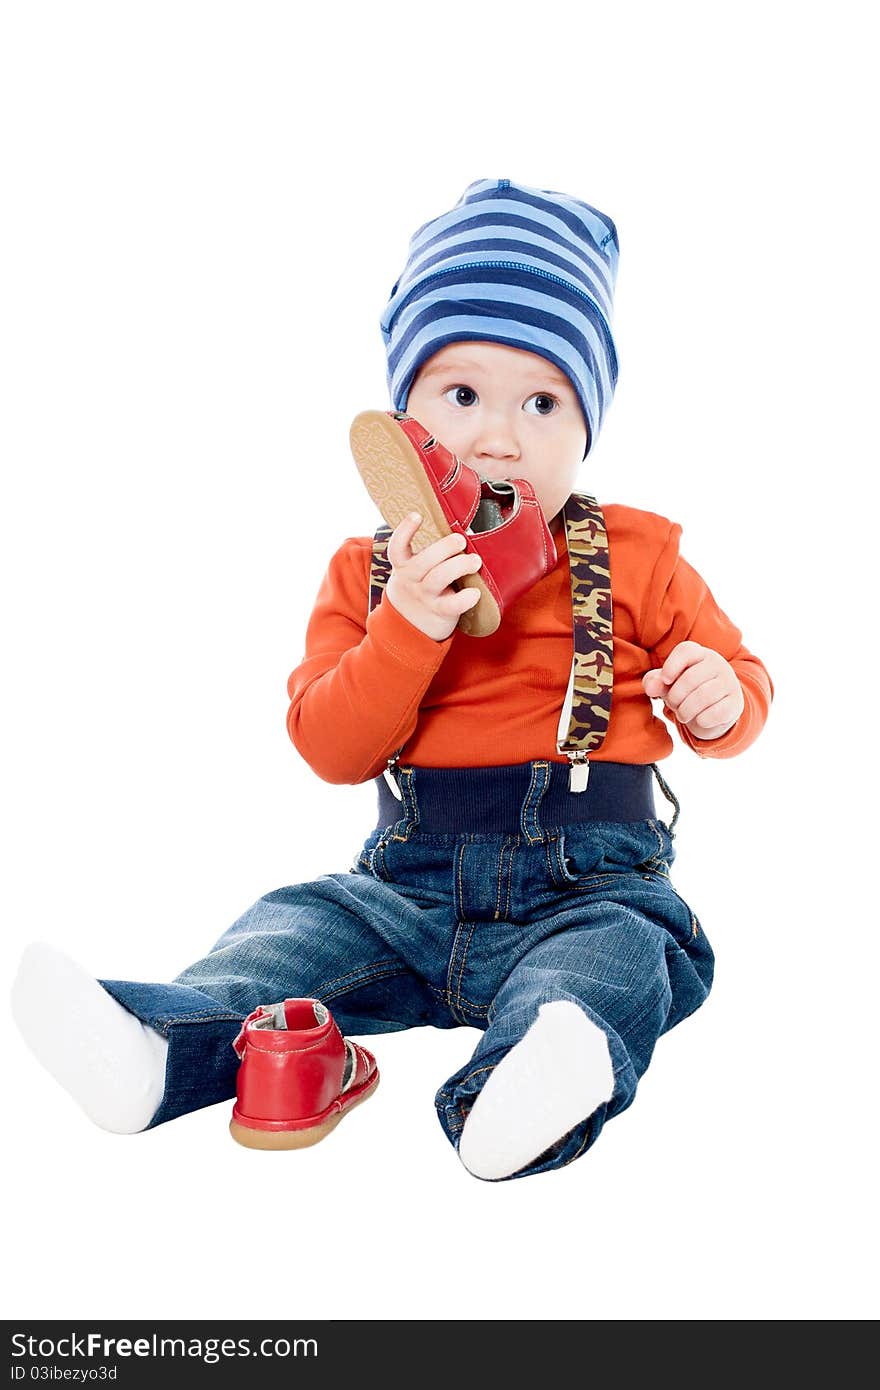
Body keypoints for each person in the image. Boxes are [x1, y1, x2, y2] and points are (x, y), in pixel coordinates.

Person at [10, 177, 773, 1181]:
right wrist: (407, 626)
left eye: (541, 402)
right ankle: (162, 1047)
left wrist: (722, 696)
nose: (499, 436)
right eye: (461, 397)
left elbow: (747, 683)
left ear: (588, 426)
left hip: (592, 880)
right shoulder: (362, 574)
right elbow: (332, 746)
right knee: (287, 932)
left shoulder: (641, 553)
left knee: (616, 960)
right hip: (403, 888)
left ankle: (531, 1078)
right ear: (404, 419)